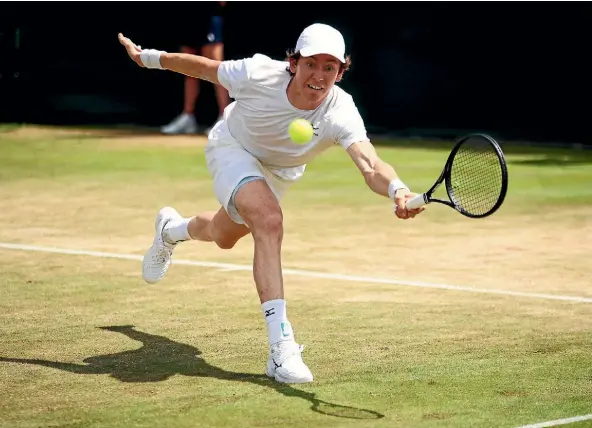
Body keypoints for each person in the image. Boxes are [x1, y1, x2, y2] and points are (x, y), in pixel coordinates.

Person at [117, 23, 425, 384]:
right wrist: (148, 58)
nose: (319, 75)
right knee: (269, 220)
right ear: (294, 63)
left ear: (341, 72)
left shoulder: (341, 110)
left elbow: (370, 164)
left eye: (330, 67)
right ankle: (281, 348)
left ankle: (171, 230)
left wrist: (397, 190)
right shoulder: (257, 73)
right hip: (234, 147)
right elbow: (201, 67)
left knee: (223, 234)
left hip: (280, 173)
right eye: (312, 63)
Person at [161, 1, 230, 135]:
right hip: (187, 13)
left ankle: (226, 118)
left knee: (217, 69)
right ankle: (188, 117)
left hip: (209, 14)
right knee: (187, 68)